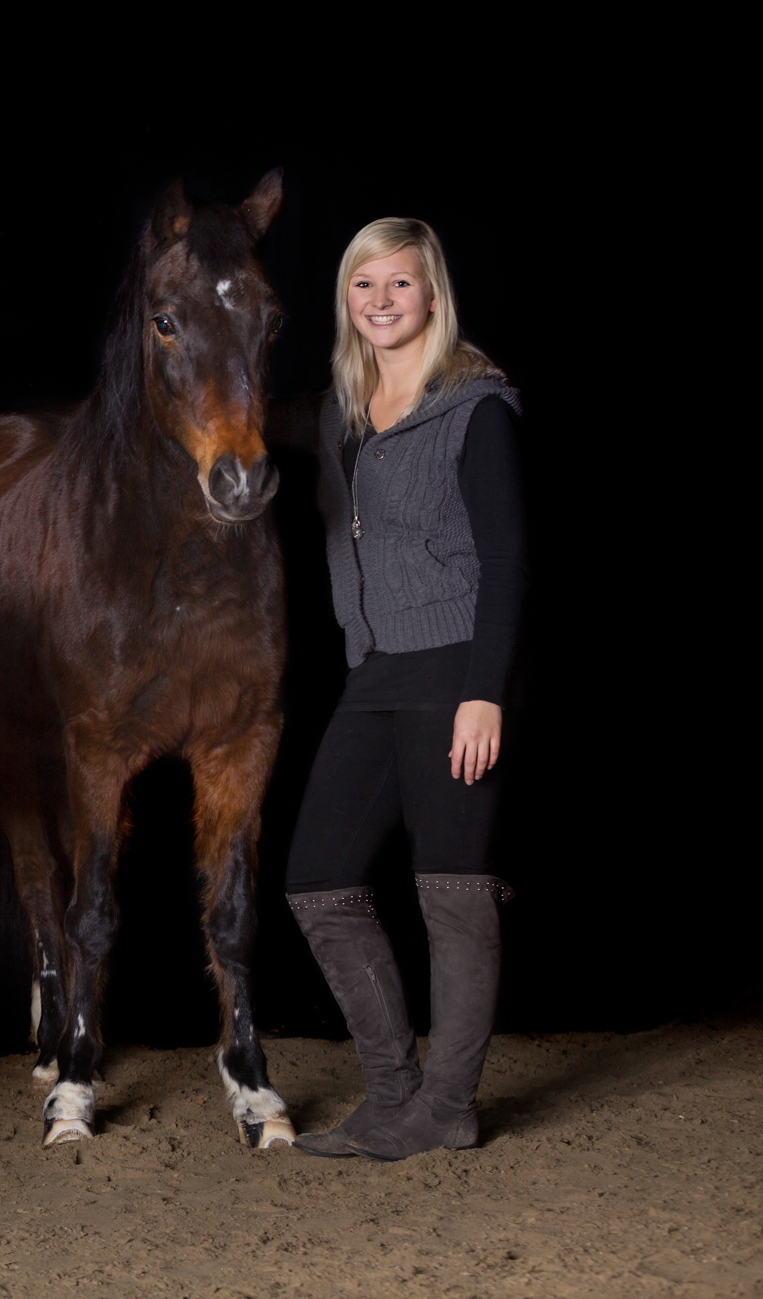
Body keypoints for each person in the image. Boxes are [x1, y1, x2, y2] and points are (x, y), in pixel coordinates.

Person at [283, 218, 525, 1162]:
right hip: (374, 669)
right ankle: (392, 1096)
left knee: (452, 889)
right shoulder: (340, 411)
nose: (381, 301)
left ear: (432, 294)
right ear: (346, 298)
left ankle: (448, 1106)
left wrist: (486, 691)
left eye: (400, 283)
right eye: (363, 284)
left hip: (456, 669)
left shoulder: (476, 407)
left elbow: (506, 562)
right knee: (319, 881)